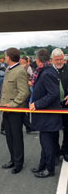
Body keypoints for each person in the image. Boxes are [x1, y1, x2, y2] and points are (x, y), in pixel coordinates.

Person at [30, 49, 62, 178]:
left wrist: (37, 104)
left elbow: (53, 94)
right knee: (44, 143)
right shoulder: (45, 71)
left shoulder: (47, 73)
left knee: (47, 144)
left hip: (48, 116)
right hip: (45, 116)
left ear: (38, 60)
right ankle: (42, 165)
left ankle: (49, 169)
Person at [0, 47, 29, 174]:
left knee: (16, 137)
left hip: (15, 111)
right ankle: (12, 159)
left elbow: (24, 92)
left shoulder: (19, 71)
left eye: (6, 56)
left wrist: (12, 104)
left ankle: (18, 163)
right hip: (6, 110)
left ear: (10, 57)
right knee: (9, 137)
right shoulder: (9, 70)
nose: (5, 58)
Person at [51, 48, 68, 162]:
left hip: (66, 106)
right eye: (57, 59)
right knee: (53, 130)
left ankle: (66, 150)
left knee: (67, 130)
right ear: (52, 59)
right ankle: (56, 152)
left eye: (61, 59)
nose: (59, 61)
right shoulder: (48, 71)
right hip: (53, 106)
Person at [20, 56, 32, 133]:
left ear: (25, 60)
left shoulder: (28, 67)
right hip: (21, 88)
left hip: (26, 87)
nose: (21, 60)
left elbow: (32, 75)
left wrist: (30, 81)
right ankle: (28, 126)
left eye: (22, 59)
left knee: (25, 107)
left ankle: (28, 126)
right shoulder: (19, 66)